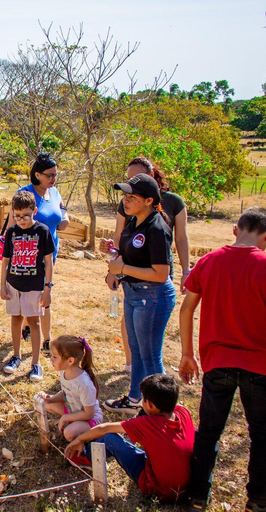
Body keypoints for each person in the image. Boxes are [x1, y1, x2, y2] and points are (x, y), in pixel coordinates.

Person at [178, 208, 266, 512]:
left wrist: (188, 354)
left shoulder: (209, 262)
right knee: (262, 434)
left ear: (235, 230)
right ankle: (258, 501)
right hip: (260, 367)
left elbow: (187, 309)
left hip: (217, 364)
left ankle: (197, 498)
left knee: (208, 432)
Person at [105, 157, 190, 374]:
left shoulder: (173, 203)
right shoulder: (129, 204)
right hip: (132, 273)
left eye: (136, 178)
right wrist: (113, 265)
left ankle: (153, 389)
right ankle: (132, 365)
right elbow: (120, 235)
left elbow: (180, 239)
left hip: (155, 273)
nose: (130, 186)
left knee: (150, 340)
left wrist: (186, 270)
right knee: (131, 322)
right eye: (128, 179)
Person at [103, 174, 176, 415]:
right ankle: (135, 399)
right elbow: (133, 255)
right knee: (137, 351)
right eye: (125, 196)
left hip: (152, 297)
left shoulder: (157, 227)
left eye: (131, 197)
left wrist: (122, 268)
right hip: (133, 293)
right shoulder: (134, 222)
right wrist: (113, 253)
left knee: (151, 356)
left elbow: (161, 273)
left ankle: (162, 411)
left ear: (148, 200)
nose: (125, 201)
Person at [65, 374, 195, 504]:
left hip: (157, 490)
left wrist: (80, 440)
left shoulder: (148, 424)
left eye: (142, 399)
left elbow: (104, 429)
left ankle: (85, 456)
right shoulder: (183, 413)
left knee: (110, 439)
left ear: (149, 404)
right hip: (188, 488)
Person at [15, 153, 69, 352]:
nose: (53, 179)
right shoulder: (25, 193)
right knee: (29, 295)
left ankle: (46, 338)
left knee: (45, 295)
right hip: (27, 255)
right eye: (49, 175)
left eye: (55, 175)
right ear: (37, 174)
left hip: (49, 254)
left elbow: (63, 213)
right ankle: (28, 328)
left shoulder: (54, 193)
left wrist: (64, 220)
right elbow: (14, 224)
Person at [0, 190, 54, 381]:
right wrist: (2, 285)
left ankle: (36, 363)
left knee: (34, 322)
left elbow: (49, 262)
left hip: (34, 286)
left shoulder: (42, 231)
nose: (21, 220)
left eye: (26, 215)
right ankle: (16, 355)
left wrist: (48, 288)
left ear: (35, 211)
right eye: (17, 216)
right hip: (14, 284)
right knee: (16, 318)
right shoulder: (12, 232)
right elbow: (6, 260)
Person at [38, 335, 103, 442]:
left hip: (90, 420)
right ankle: (75, 424)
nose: (51, 359)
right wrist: (51, 398)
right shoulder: (64, 372)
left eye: (55, 357)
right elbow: (66, 392)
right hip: (74, 412)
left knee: (69, 433)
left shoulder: (84, 384)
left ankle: (88, 436)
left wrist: (65, 418)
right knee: (46, 404)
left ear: (70, 361)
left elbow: (89, 414)